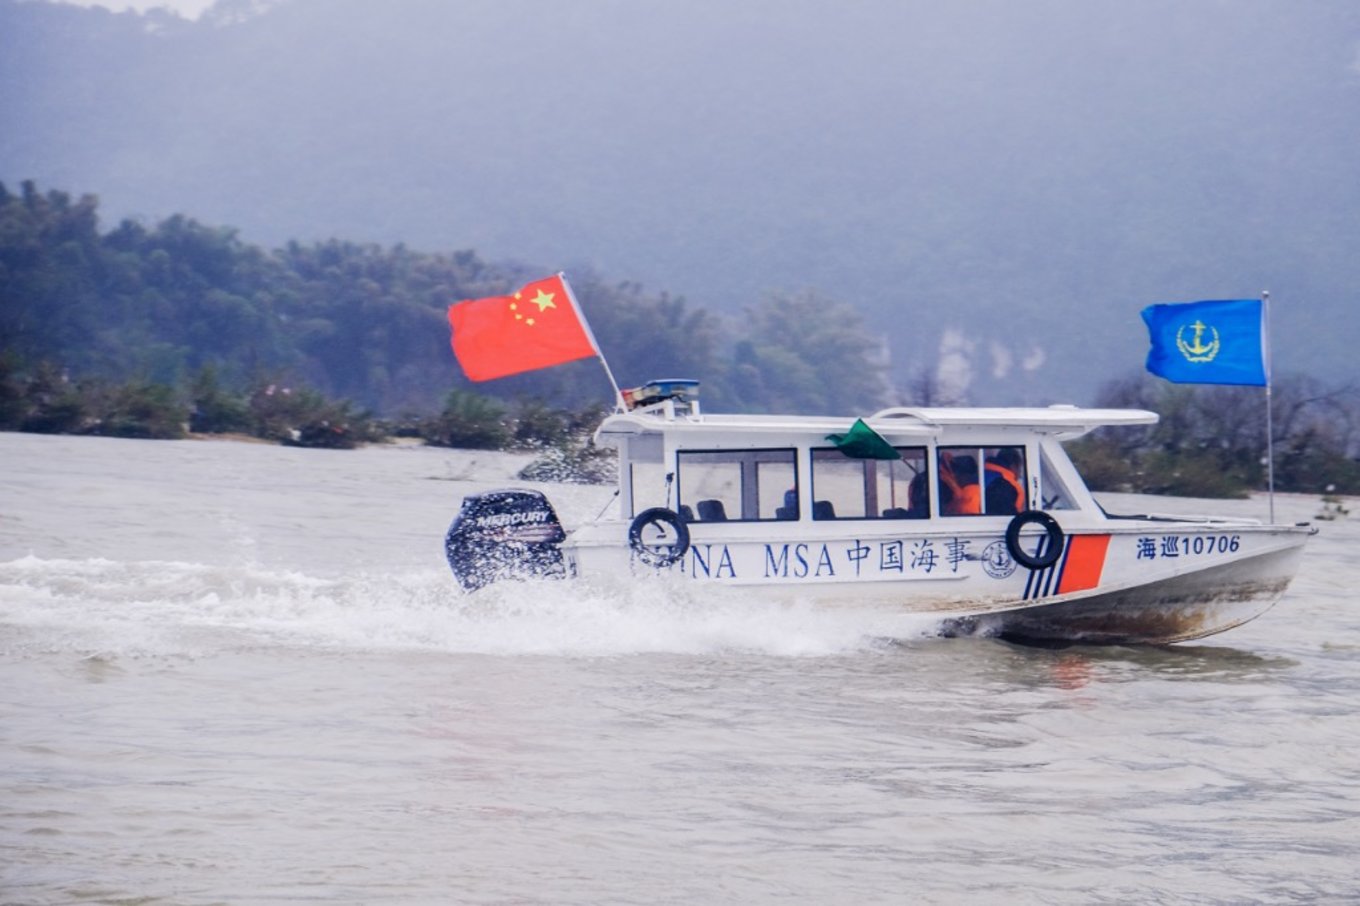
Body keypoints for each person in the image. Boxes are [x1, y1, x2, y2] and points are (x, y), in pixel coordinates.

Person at [984, 448, 1024, 515]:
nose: (1019, 474)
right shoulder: (1005, 486)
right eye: (1019, 469)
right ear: (1013, 466)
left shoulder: (983, 475)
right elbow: (1006, 516)